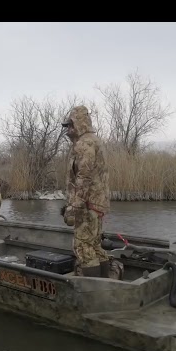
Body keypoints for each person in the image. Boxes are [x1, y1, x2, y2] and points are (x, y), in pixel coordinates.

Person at [60, 105, 111, 278]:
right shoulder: (95, 141)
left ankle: (93, 294)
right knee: (95, 245)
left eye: (70, 125)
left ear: (79, 124)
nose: (68, 129)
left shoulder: (84, 143)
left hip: (87, 205)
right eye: (67, 126)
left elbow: (84, 177)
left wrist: (74, 206)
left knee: (83, 246)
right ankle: (106, 284)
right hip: (97, 203)